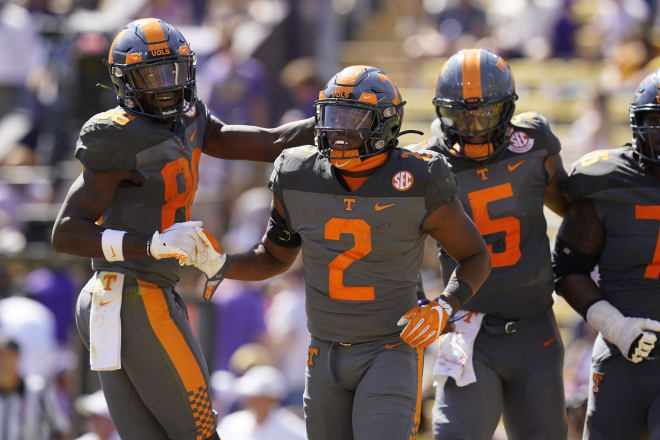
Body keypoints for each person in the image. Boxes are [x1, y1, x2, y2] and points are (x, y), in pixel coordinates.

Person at [192, 65, 492, 440]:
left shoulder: (419, 178)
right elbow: (274, 257)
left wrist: (445, 304)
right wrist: (221, 264)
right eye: (333, 116)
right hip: (322, 354)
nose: (339, 131)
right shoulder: (297, 171)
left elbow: (476, 255)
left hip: (390, 347)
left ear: (385, 125)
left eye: (353, 119)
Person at [51, 18, 313, 440]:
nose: (164, 85)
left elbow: (266, 141)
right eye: (150, 76)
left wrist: (332, 123)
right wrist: (151, 244)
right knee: (201, 431)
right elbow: (66, 233)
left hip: (136, 293)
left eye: (171, 71)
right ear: (124, 81)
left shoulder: (191, 116)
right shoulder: (115, 135)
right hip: (131, 292)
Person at [406, 48, 569, 439]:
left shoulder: (534, 144)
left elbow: (578, 214)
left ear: (508, 109)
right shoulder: (425, 165)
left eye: (485, 113)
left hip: (534, 329)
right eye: (462, 114)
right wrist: (418, 300)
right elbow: (399, 244)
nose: (474, 126)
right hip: (469, 331)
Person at [552, 69, 660, 440]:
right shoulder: (604, 180)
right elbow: (567, 268)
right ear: (636, 123)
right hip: (620, 353)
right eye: (655, 121)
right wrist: (616, 325)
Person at [0, 334, 71, 440]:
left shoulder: (39, 390)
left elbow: (60, 430)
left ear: (17, 356)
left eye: (7, 356)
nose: (3, 362)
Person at [218, 365, 307, 440]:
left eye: (257, 398)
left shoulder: (293, 429)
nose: (250, 401)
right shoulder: (231, 424)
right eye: (250, 397)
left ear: (272, 399)